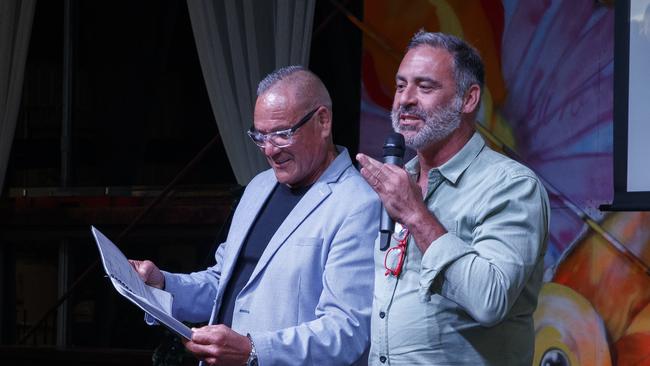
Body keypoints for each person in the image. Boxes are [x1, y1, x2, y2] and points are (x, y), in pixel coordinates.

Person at [131, 66, 379, 366]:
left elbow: (347, 332)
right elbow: (222, 283)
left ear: (323, 121)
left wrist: (253, 351)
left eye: (281, 134)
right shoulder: (259, 187)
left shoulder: (358, 204)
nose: (269, 150)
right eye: (259, 136)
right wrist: (164, 285)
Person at [356, 31, 550, 365]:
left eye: (425, 86)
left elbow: (489, 299)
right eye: (401, 85)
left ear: (469, 99)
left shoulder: (511, 185)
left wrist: (417, 215)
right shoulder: (403, 180)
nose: (405, 99)